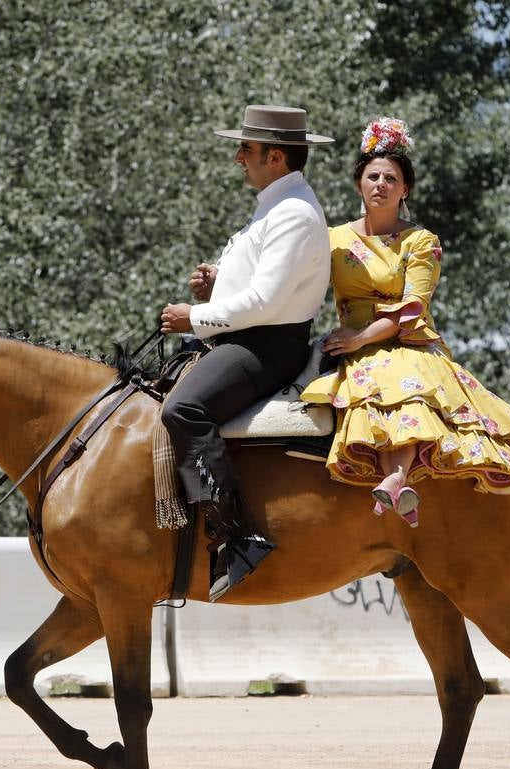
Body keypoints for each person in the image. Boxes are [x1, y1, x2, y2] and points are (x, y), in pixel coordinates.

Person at [300, 117, 510, 526]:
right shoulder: (333, 239)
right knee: (371, 388)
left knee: (403, 381)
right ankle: (394, 482)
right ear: (359, 183)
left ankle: (396, 477)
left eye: (391, 178)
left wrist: (360, 338)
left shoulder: (422, 241)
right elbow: (290, 271)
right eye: (373, 176)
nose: (381, 184)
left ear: (405, 189)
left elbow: (411, 309)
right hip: (353, 342)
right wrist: (222, 280)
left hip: (407, 342)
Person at [159, 104, 333, 600]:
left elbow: (266, 303)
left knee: (184, 409)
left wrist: (191, 317)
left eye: (247, 149)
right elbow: (260, 284)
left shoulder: (294, 213)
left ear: (275, 157)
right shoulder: (278, 204)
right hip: (248, 336)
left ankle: (236, 536)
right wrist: (218, 284)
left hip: (266, 345)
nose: (238, 157)